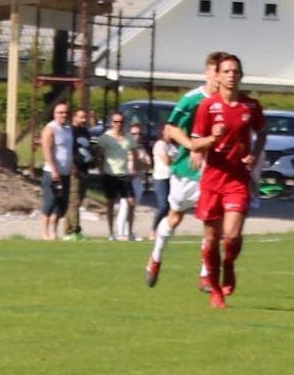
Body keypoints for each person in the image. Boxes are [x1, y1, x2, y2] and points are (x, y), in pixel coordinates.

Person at [188, 53, 265, 309]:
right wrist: (212, 138)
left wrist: (254, 153)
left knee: (231, 236)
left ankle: (229, 264)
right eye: (227, 71)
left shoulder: (251, 107)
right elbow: (195, 142)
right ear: (218, 76)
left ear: (241, 76)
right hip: (212, 181)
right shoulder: (207, 107)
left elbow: (261, 132)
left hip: (237, 180)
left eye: (236, 71)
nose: (231, 75)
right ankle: (215, 290)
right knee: (211, 240)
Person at [146, 52, 223, 289]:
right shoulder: (191, 99)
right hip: (188, 170)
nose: (221, 78)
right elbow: (170, 128)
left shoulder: (230, 102)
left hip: (216, 170)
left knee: (213, 222)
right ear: (208, 73)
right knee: (175, 216)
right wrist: (192, 146)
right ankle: (156, 258)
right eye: (217, 72)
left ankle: (206, 274)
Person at [39, 102, 73, 241]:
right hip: (52, 172)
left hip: (66, 172)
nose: (63, 115)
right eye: (60, 113)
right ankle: (44, 231)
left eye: (65, 113)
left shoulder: (68, 129)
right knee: (50, 201)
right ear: (55, 114)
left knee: (61, 203)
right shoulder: (50, 129)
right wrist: (53, 169)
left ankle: (54, 230)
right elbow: (47, 151)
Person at [97, 112, 134, 241]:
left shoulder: (129, 137)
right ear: (112, 123)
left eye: (121, 122)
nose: (118, 125)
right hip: (110, 174)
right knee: (110, 203)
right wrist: (101, 170)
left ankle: (129, 231)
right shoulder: (106, 137)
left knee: (131, 202)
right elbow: (99, 154)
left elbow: (133, 152)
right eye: (116, 122)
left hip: (124, 174)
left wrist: (133, 167)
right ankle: (111, 232)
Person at [66, 107, 94, 240]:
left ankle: (68, 231)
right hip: (74, 171)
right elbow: (68, 150)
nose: (84, 120)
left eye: (85, 117)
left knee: (77, 201)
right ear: (74, 118)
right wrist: (72, 165)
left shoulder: (85, 132)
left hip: (84, 170)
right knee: (74, 200)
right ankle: (76, 231)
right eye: (81, 117)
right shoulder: (70, 132)